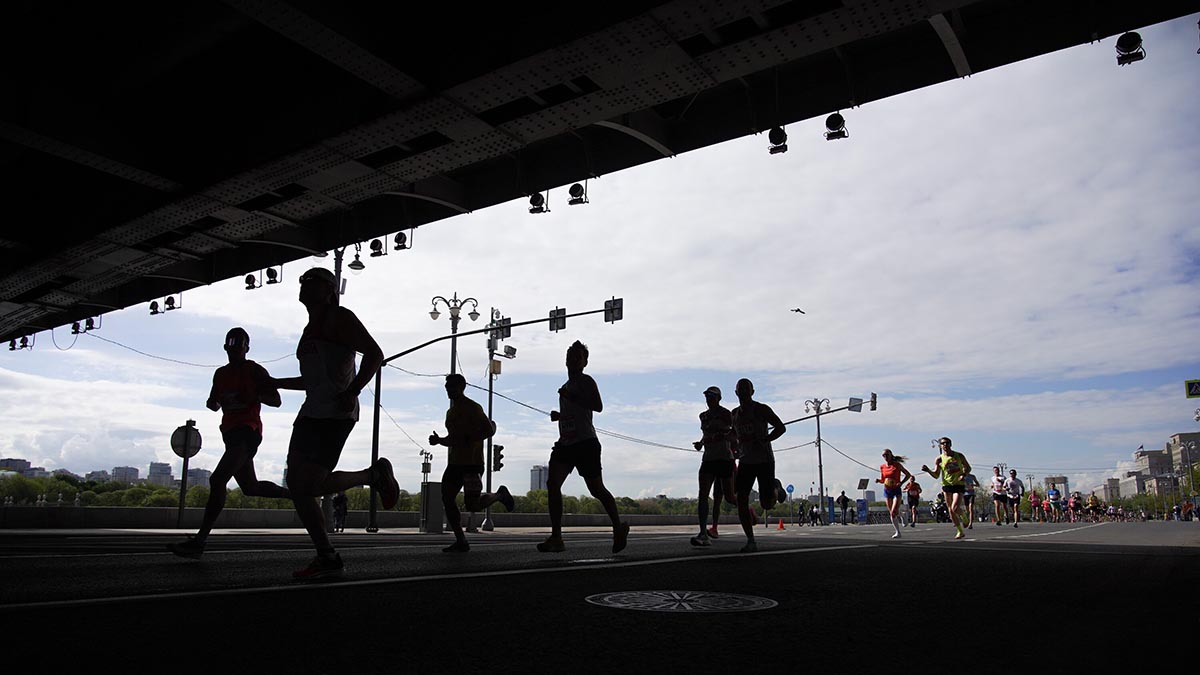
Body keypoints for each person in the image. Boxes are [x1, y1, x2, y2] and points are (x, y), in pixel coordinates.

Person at [269, 267, 397, 580]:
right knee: (299, 488)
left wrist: (352, 392)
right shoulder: (309, 329)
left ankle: (373, 474)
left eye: (314, 281)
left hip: (335, 415)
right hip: (310, 412)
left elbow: (375, 354)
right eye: (302, 281)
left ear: (329, 290)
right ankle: (326, 554)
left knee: (309, 484)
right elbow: (313, 381)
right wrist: (275, 383)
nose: (305, 285)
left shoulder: (339, 318)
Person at [169, 327, 290, 558]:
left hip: (248, 432)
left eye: (239, 346)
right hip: (231, 434)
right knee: (250, 488)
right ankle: (295, 495)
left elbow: (276, 400)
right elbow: (214, 401)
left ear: (247, 348)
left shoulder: (255, 371)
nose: (235, 350)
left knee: (217, 479)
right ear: (226, 347)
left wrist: (255, 396)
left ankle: (200, 541)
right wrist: (213, 403)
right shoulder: (220, 374)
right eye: (232, 346)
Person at [537, 341, 629, 554]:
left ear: (584, 362)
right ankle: (557, 537)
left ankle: (618, 526)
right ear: (565, 359)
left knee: (596, 489)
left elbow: (597, 406)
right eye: (570, 354)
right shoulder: (566, 386)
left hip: (586, 443)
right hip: (566, 443)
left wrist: (573, 398)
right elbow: (575, 413)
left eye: (578, 356)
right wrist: (559, 416)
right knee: (552, 484)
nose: (573, 359)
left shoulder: (586, 381)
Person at [428, 373, 515, 552]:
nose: (448, 390)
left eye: (451, 386)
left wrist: (470, 438)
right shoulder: (450, 413)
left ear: (461, 387)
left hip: (472, 464)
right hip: (454, 463)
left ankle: (499, 495)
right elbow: (453, 439)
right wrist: (439, 441)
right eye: (446, 387)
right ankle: (461, 539)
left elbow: (489, 430)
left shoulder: (474, 408)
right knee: (447, 498)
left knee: (472, 505)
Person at [730, 378, 786, 553]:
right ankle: (750, 540)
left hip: (764, 460)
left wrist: (765, 439)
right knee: (740, 498)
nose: (744, 393)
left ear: (752, 392)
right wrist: (735, 448)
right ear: (736, 393)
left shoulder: (762, 409)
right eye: (741, 390)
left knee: (766, 504)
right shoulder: (734, 414)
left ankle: (775, 487)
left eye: (747, 390)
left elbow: (780, 428)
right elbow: (733, 434)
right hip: (745, 461)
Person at [690, 386, 737, 547]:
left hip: (725, 458)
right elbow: (705, 433)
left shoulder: (726, 414)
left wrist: (723, 435)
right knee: (702, 495)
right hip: (708, 459)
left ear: (719, 398)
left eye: (712, 396)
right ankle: (703, 533)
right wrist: (701, 443)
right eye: (707, 397)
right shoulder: (703, 416)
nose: (709, 399)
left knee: (729, 497)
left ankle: (748, 512)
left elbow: (735, 433)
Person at [921, 437, 971, 539]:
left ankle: (965, 517)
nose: (945, 445)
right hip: (946, 485)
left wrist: (964, 474)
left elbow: (968, 468)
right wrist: (928, 470)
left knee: (955, 507)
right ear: (940, 446)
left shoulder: (959, 456)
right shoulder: (939, 459)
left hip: (958, 484)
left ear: (951, 444)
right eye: (943, 443)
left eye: (947, 443)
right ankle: (960, 531)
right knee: (950, 510)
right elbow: (936, 475)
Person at [876, 449, 913, 538]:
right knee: (892, 513)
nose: (885, 457)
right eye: (883, 455)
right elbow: (883, 479)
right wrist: (879, 481)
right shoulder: (882, 467)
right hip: (887, 490)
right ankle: (898, 531)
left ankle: (902, 517)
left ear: (891, 455)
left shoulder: (897, 465)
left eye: (887, 455)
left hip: (896, 489)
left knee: (894, 511)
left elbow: (908, 475)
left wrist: (901, 482)